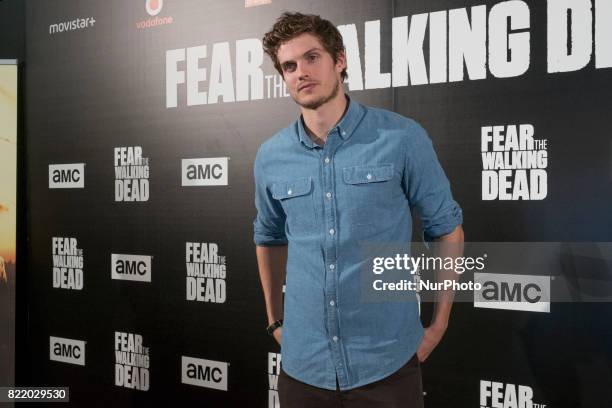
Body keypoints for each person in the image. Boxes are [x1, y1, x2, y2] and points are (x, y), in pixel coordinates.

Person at [253, 12, 464, 408]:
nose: (302, 72)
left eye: (312, 57)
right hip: (303, 368)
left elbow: (446, 229)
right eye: (290, 65)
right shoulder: (270, 156)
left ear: (340, 60)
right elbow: (267, 236)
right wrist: (275, 320)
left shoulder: (401, 137)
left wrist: (438, 325)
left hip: (386, 364)